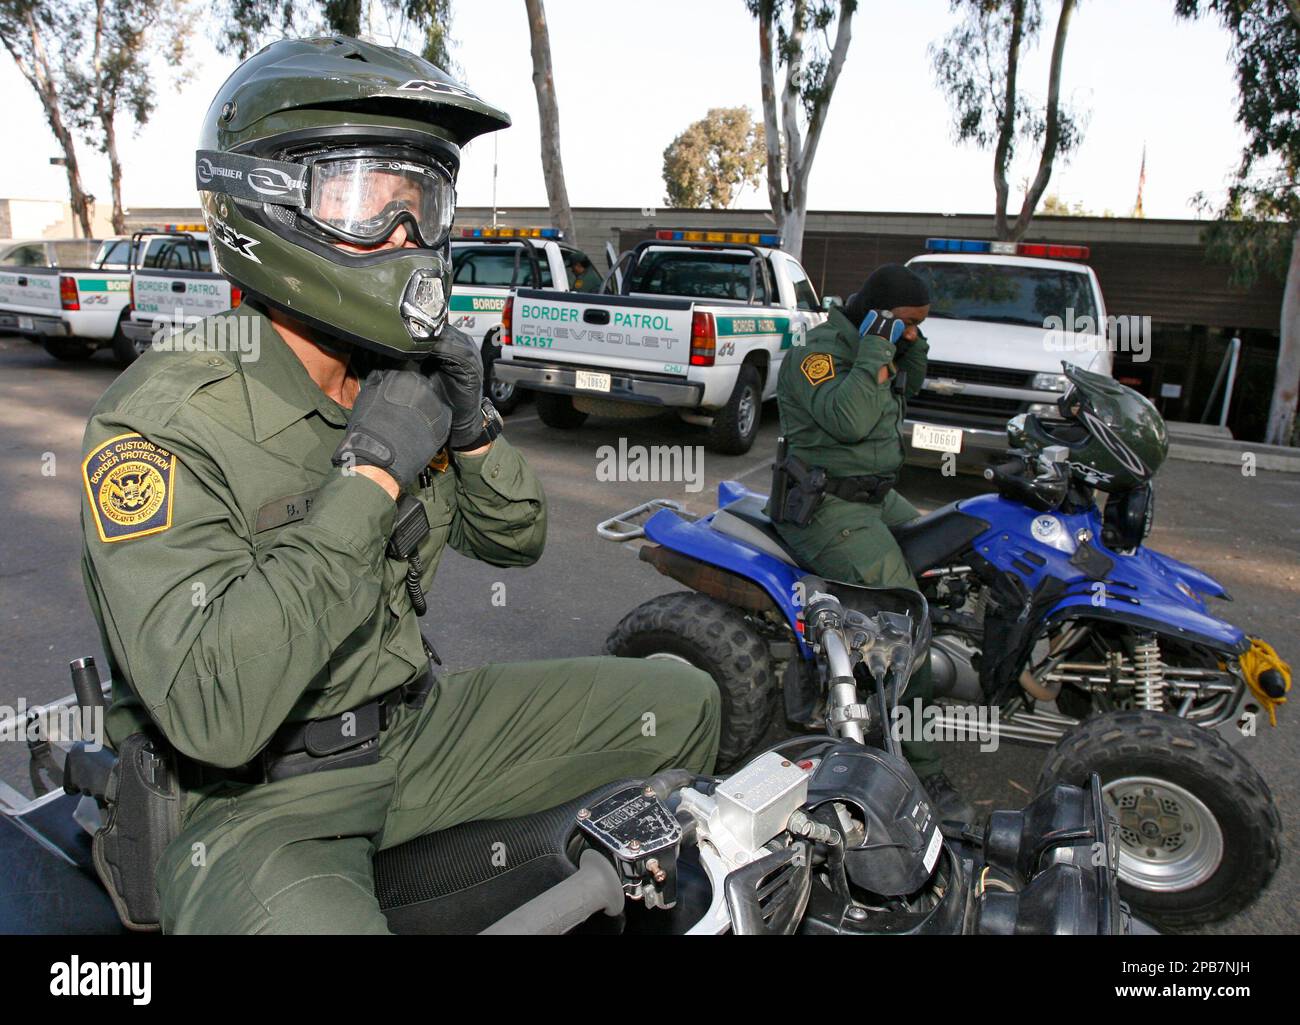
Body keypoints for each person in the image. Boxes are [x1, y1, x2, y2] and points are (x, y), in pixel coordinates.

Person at [79, 36, 719, 934]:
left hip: (415, 730)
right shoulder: (163, 420)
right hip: (256, 798)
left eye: (422, 201)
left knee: (682, 700)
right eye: (366, 198)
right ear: (263, 202)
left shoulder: (399, 373)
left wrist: (473, 428)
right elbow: (212, 710)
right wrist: (372, 472)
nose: (405, 237)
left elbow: (518, 538)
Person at [770, 263, 975, 824]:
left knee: (959, 548)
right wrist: (875, 354)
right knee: (910, 622)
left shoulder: (878, 346)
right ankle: (920, 763)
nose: (911, 334)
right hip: (825, 506)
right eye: (906, 324)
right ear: (877, 316)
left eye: (920, 326)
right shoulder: (820, 354)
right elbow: (852, 419)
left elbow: (908, 386)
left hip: (872, 496)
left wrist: (906, 349)